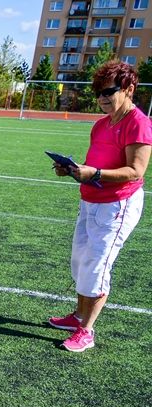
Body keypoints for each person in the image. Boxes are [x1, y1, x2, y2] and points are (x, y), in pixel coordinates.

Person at [49, 60, 152, 352]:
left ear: (129, 88)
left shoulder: (139, 123)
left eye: (108, 92)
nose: (102, 99)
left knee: (97, 265)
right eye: (98, 93)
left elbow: (136, 171)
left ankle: (87, 330)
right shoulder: (101, 124)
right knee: (81, 260)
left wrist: (93, 174)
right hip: (90, 200)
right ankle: (78, 316)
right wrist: (71, 170)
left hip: (118, 205)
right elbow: (95, 163)